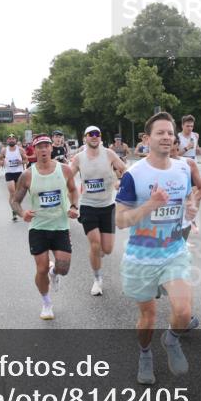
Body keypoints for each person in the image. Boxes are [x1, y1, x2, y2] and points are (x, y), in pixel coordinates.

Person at [116, 112, 198, 384]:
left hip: (174, 252)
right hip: (141, 258)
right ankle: (145, 353)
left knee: (184, 311)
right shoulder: (134, 175)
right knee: (147, 318)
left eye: (170, 133)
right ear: (147, 138)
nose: (166, 137)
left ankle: (172, 340)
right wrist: (150, 205)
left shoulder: (183, 168)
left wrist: (191, 207)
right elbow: (121, 220)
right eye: (160, 133)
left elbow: (187, 199)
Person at [11, 136, 79, 320]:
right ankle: (46, 302)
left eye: (46, 146)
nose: (43, 150)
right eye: (39, 147)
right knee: (40, 269)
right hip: (38, 227)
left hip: (60, 226)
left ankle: (54, 272)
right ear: (34, 150)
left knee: (63, 268)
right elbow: (15, 201)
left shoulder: (64, 170)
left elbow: (73, 190)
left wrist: (73, 207)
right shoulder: (27, 175)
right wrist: (22, 213)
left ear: (51, 149)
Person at [71, 125, 127, 296]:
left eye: (97, 134)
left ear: (100, 137)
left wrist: (120, 181)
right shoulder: (79, 158)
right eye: (91, 134)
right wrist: (71, 202)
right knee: (95, 244)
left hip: (107, 206)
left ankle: (97, 256)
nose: (94, 137)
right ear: (85, 138)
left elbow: (124, 170)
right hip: (88, 206)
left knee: (107, 249)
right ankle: (97, 279)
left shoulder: (109, 154)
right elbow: (68, 178)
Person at [0, 134, 29, 220]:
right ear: (7, 141)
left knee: (16, 193)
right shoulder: (4, 150)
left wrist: (21, 162)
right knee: (12, 192)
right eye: (9, 139)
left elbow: (26, 160)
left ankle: (15, 208)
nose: (11, 140)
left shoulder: (20, 149)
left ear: (15, 140)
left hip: (19, 173)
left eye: (13, 139)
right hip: (9, 173)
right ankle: (13, 210)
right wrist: (2, 162)